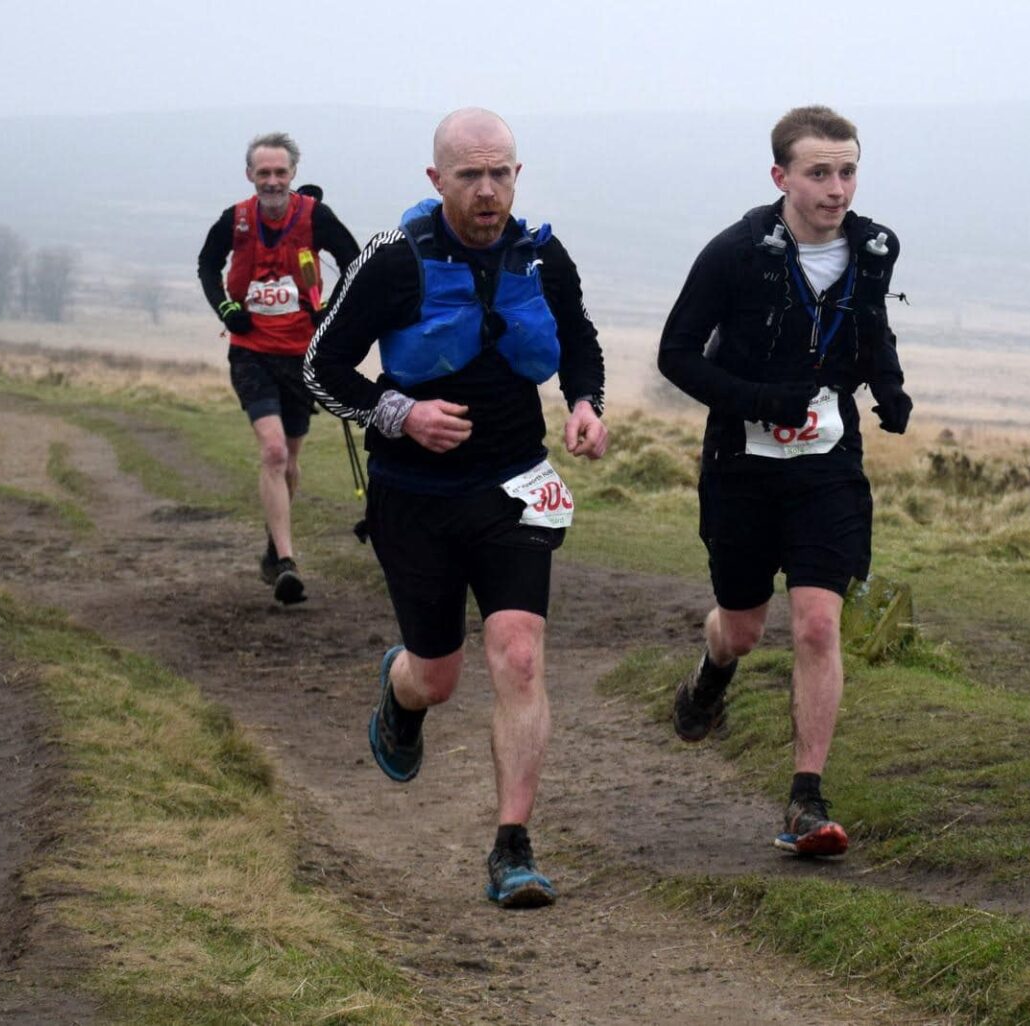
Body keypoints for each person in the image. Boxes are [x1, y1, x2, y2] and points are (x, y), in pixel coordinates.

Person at [304, 108, 608, 908]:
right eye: (469, 175)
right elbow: (320, 367)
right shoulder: (393, 261)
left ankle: (513, 847)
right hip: (414, 500)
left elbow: (579, 340)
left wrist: (585, 402)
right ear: (436, 180)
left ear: (517, 175)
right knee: (436, 676)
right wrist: (402, 414)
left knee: (518, 654)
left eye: (500, 172)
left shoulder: (543, 255)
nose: (487, 189)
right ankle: (400, 692)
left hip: (512, 487)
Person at [658, 105, 912, 857]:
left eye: (848, 170)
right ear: (781, 177)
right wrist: (761, 403)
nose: (838, 188)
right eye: (819, 172)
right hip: (742, 468)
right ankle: (711, 673)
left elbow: (868, 323)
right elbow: (677, 355)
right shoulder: (735, 253)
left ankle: (806, 798)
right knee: (742, 626)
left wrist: (886, 385)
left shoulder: (875, 247)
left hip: (828, 468)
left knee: (816, 622)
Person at [198, 133, 360, 604]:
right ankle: (288, 562)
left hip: (301, 355)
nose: (272, 180)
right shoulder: (236, 219)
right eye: (263, 173)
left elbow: (353, 261)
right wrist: (226, 310)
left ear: (292, 175)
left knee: (290, 459)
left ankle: (274, 546)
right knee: (272, 453)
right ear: (250, 175)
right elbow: (208, 265)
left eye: (280, 173)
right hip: (251, 352)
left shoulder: (315, 218)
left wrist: (329, 308)